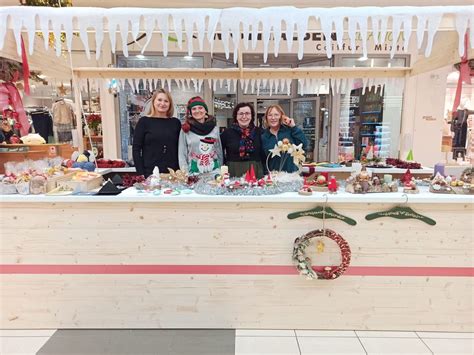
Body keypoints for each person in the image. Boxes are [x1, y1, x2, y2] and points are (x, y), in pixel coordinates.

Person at [132, 89, 181, 177]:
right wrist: (140, 173)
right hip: (150, 173)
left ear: (170, 104)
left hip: (172, 174)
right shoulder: (144, 122)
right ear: (153, 102)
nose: (162, 103)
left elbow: (181, 148)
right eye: (159, 100)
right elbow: (136, 149)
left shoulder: (175, 123)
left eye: (166, 101)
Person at [178, 96, 223, 174]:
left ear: (205, 110)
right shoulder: (185, 129)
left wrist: (220, 170)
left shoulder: (214, 128)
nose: (197, 111)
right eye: (194, 109)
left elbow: (218, 151)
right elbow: (182, 154)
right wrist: (185, 174)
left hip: (214, 173)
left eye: (200, 108)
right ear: (190, 112)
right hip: (193, 174)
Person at [220, 102, 265, 178]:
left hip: (255, 170)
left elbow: (264, 154)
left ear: (251, 116)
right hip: (233, 170)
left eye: (247, 113)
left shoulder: (260, 132)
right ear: (236, 116)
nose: (244, 116)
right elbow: (220, 153)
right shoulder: (227, 133)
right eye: (241, 114)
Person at [261, 104, 308, 173]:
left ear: (281, 116)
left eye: (276, 115)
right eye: (270, 115)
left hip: (292, 175)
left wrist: (294, 127)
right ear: (266, 118)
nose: (273, 118)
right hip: (274, 177)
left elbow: (304, 144)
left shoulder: (290, 131)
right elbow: (263, 160)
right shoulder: (263, 137)